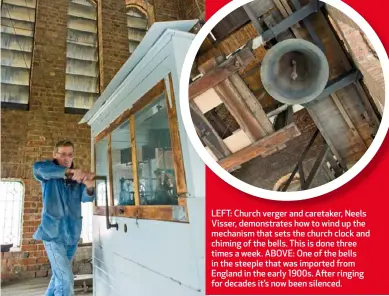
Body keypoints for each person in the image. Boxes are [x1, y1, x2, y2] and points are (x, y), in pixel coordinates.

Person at [33, 140, 95, 296]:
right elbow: (38, 169)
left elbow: (86, 198)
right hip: (53, 235)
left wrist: (89, 185)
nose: (67, 158)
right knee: (66, 279)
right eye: (63, 154)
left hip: (72, 235)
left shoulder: (77, 179)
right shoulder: (48, 173)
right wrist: (70, 172)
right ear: (55, 154)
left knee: (58, 276)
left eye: (70, 155)